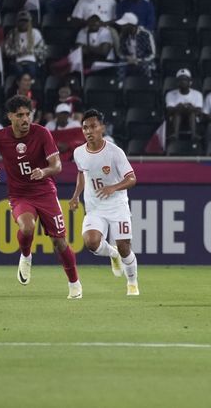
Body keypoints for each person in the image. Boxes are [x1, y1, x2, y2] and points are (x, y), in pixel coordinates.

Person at [0, 95, 82, 299]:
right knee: (27, 227)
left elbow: (57, 166)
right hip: (20, 195)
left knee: (59, 241)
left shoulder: (41, 133)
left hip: (45, 193)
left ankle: (74, 283)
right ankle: (26, 256)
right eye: (20, 115)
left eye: (28, 114)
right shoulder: (0, 136)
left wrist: (44, 172)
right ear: (10, 117)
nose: (25, 119)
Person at [69, 109, 140, 295]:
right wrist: (76, 195)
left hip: (117, 206)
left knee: (125, 247)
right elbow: (82, 173)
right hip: (95, 208)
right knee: (91, 242)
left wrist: (113, 187)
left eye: (93, 126)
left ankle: (132, 282)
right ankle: (112, 253)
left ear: (102, 128)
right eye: (85, 128)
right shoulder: (79, 152)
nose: (88, 131)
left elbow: (132, 179)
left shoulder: (115, 152)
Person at [3, 10, 45, 79]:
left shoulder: (36, 33)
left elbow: (43, 52)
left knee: (31, 70)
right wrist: (18, 52)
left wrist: (31, 51)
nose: (23, 23)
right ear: (17, 22)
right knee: (19, 71)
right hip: (17, 61)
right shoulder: (12, 34)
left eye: (25, 21)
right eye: (21, 21)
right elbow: (7, 51)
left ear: (29, 22)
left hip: (32, 61)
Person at [165, 68, 204, 141]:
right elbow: (169, 110)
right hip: (175, 118)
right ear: (177, 82)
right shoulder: (170, 94)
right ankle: (175, 135)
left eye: (185, 79)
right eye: (180, 79)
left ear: (190, 82)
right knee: (177, 112)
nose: (183, 82)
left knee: (191, 112)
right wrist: (177, 107)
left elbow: (199, 111)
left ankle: (194, 135)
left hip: (193, 118)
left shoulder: (198, 94)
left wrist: (192, 108)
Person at [115, 12, 156, 79]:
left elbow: (152, 55)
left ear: (131, 25)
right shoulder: (123, 35)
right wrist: (127, 58)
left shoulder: (146, 34)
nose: (121, 27)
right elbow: (120, 52)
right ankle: (120, 86)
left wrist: (138, 60)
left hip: (144, 62)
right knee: (120, 65)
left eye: (124, 25)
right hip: (128, 62)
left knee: (146, 67)